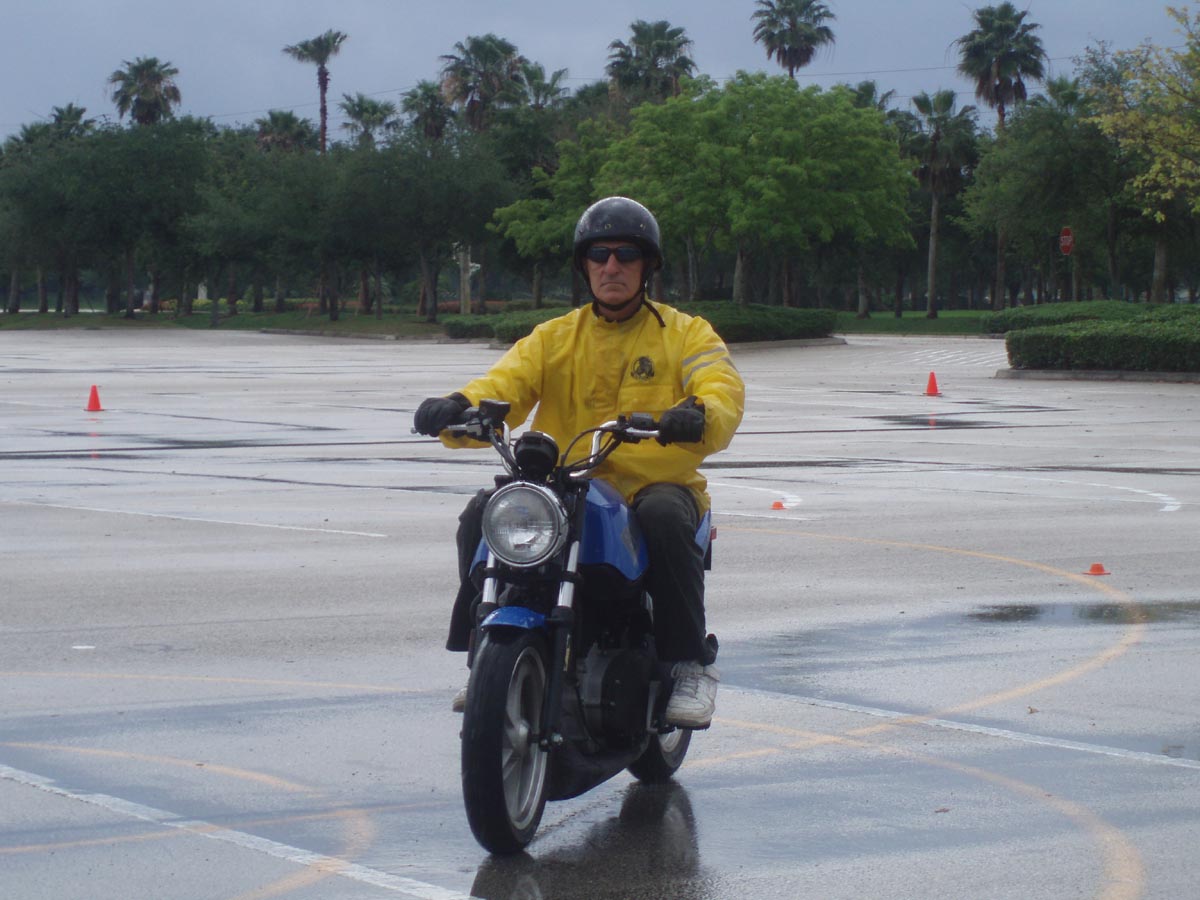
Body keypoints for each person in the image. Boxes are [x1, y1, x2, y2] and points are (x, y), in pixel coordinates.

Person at [414, 196, 745, 729]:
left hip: (652, 484)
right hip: (565, 482)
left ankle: (689, 663)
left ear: (646, 266)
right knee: (483, 512)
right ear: (584, 265)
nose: (612, 266)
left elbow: (720, 386)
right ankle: (486, 653)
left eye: (626, 255)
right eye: (599, 255)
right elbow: (504, 384)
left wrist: (699, 413)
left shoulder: (687, 333)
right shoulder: (554, 337)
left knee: (664, 515)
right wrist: (458, 406)